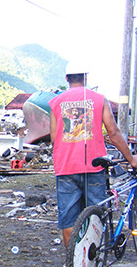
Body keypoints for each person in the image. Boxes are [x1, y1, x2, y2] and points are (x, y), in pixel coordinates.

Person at [49, 62, 137, 248]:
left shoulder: (55, 102)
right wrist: (131, 159)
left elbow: (54, 139)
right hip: (94, 167)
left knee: (69, 220)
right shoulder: (98, 99)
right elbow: (113, 133)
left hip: (66, 168)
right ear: (86, 77)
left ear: (67, 79)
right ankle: (96, 262)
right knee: (97, 215)